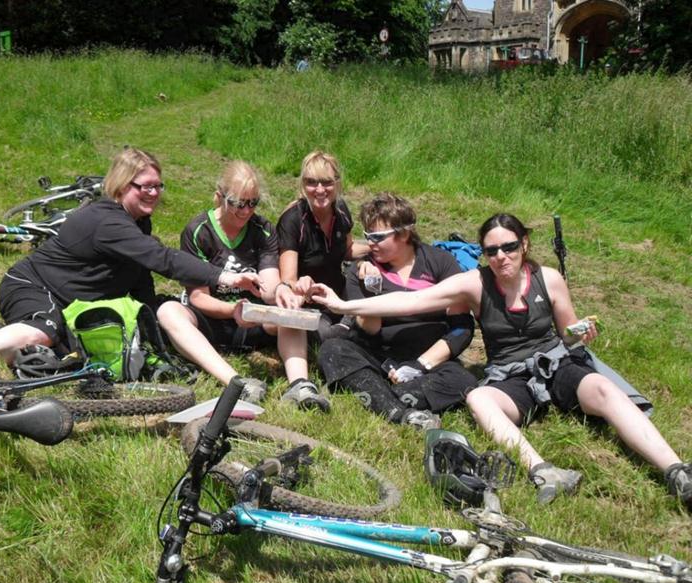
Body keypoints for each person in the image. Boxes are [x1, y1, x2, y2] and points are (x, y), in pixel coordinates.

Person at [311, 213, 692, 508]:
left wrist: (580, 333)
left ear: (524, 244)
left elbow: (567, 334)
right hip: (511, 378)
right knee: (478, 398)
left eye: (508, 247)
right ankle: (544, 471)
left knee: (605, 389)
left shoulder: (550, 279)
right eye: (491, 251)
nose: (500, 257)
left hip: (557, 365)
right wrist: (343, 304)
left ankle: (675, 471)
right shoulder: (475, 284)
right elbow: (408, 301)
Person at [0, 147, 261, 390]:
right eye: (145, 187)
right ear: (123, 186)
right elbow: (162, 259)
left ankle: (7, 340)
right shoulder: (107, 220)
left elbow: (139, 276)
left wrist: (149, 316)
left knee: (62, 346)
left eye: (158, 186)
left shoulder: (137, 221)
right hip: (33, 287)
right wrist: (222, 276)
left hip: (71, 301)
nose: (154, 193)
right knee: (41, 334)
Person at [157, 161, 330, 410]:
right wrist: (232, 310)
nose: (246, 211)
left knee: (290, 310)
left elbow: (268, 285)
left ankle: (300, 385)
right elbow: (198, 298)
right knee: (168, 311)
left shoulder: (263, 230)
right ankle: (236, 383)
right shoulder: (198, 232)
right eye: (238, 203)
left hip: (255, 318)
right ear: (220, 197)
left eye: (252, 203)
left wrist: (281, 290)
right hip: (213, 319)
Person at [316, 193, 477, 432]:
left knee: (463, 379)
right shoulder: (359, 270)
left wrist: (420, 366)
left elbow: (462, 327)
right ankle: (400, 410)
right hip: (379, 353)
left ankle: (383, 396)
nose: (371, 243)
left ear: (404, 233)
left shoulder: (440, 262)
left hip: (429, 356)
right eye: (368, 236)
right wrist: (371, 291)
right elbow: (369, 329)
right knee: (333, 350)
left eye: (378, 237)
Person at [275, 150, 367, 340]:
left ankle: (350, 322)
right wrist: (302, 284)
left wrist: (376, 246)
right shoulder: (293, 220)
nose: (319, 189)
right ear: (302, 185)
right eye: (311, 182)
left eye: (326, 182)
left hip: (337, 293)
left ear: (337, 183)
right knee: (324, 334)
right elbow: (288, 280)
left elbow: (348, 250)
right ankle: (347, 328)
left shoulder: (340, 209)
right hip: (309, 301)